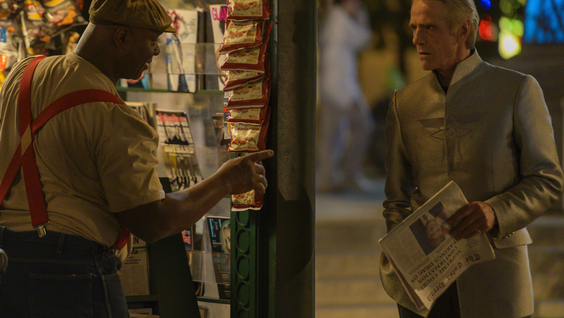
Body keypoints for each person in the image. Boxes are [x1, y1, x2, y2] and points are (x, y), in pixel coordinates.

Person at [0, 0, 273, 317]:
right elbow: (154, 222)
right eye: (152, 40)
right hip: (71, 274)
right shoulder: (116, 120)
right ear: (121, 37)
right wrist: (225, 180)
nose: (156, 52)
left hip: (9, 260)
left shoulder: (25, 72)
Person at [379, 0, 563, 317]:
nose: (417, 39)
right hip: (426, 290)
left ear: (462, 30)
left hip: (498, 281)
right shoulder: (403, 103)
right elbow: (396, 198)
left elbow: (547, 180)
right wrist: (400, 264)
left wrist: (495, 212)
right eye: (414, 27)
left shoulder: (516, 89)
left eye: (429, 27)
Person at [317, 0, 376, 193]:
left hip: (332, 84)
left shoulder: (333, 19)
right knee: (363, 125)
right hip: (342, 86)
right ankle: (349, 175)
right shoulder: (341, 19)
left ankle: (329, 177)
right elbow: (365, 39)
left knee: (331, 134)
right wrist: (361, 17)